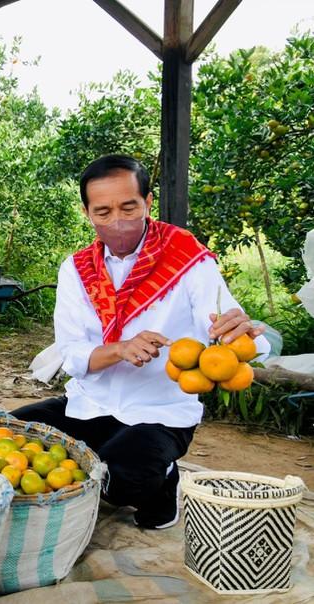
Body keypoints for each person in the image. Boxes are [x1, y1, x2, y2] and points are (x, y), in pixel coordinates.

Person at [14, 155, 269, 529]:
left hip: (160, 413)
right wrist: (118, 348)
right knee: (6, 433)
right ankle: (98, 460)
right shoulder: (77, 269)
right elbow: (71, 354)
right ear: (87, 212)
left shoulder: (188, 259)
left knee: (121, 480)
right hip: (88, 404)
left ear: (148, 202)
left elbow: (229, 326)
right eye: (103, 212)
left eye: (128, 207)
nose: (117, 221)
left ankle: (163, 480)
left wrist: (238, 331)